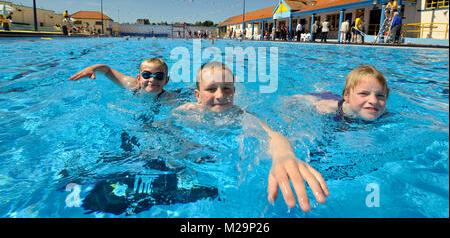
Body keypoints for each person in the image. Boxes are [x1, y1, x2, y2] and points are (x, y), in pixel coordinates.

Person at [174, 61, 329, 212]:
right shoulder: (185, 112)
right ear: (198, 95)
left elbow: (271, 134)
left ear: (234, 92)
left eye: (226, 88)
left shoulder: (240, 115)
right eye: (211, 89)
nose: (220, 95)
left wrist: (283, 155)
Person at [292, 65, 389, 121]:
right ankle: (319, 88)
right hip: (326, 98)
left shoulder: (385, 114)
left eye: (380, 96)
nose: (374, 101)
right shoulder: (330, 109)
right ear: (346, 95)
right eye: (363, 93)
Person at [69, 57, 176, 100]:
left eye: (159, 76)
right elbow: (107, 70)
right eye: (147, 75)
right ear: (138, 78)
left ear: (166, 81)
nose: (152, 80)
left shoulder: (169, 99)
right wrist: (92, 68)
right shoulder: (131, 84)